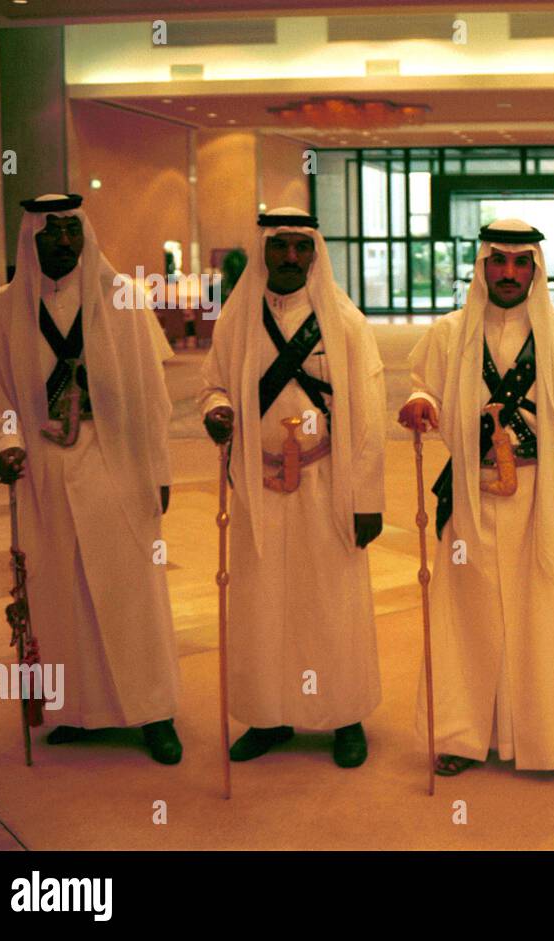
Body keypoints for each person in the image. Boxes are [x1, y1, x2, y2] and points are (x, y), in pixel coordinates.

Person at [0, 193, 181, 763]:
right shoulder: (3, 307)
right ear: (31, 240)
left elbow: (151, 397)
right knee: (59, 590)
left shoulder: (122, 300)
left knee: (130, 587)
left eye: (72, 231)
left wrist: (157, 468)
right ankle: (78, 712)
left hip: (116, 459)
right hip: (45, 464)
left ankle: (154, 710)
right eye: (51, 233)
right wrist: (8, 442)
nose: (64, 242)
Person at [399, 219, 554, 775]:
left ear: (535, 268)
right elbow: (425, 383)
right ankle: (463, 738)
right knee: (467, 616)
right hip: (471, 489)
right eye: (498, 261)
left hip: (545, 492)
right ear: (483, 266)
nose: (508, 273)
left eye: (520, 263)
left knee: (548, 616)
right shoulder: (450, 332)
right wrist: (420, 401)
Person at [199, 207, 386, 769]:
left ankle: (345, 716)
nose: (289, 258)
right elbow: (212, 387)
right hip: (258, 484)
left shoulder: (344, 323)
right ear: (263, 250)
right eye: (279, 246)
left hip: (327, 483)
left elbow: (371, 419)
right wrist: (219, 412)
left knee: (331, 601)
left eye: (301, 247)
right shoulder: (236, 321)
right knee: (261, 601)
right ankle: (267, 715)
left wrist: (368, 500)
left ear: (314, 253)